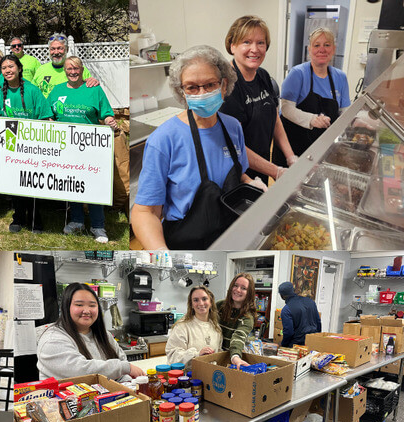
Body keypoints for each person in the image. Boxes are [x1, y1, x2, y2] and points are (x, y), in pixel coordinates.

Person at [132, 45, 250, 250]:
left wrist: (255, 186)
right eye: (192, 87)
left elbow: (239, 176)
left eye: (210, 84)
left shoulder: (233, 127)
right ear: (182, 92)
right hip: (186, 241)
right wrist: (161, 252)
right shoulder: (163, 140)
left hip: (231, 234)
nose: (202, 93)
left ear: (224, 85)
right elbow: (145, 212)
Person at [220, 15, 297, 185]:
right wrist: (275, 171)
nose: (254, 49)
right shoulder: (227, 86)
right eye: (246, 42)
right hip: (239, 174)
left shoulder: (262, 76)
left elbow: (274, 118)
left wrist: (291, 157)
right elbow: (235, 145)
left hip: (262, 164)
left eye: (260, 43)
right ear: (232, 46)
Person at [48, 56, 117, 244]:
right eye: (69, 68)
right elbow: (48, 114)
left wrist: (110, 120)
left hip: (90, 147)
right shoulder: (57, 90)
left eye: (76, 68)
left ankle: (98, 225)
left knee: (94, 185)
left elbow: (106, 113)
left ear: (82, 70)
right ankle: (76, 221)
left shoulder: (93, 89)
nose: (72, 71)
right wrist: (49, 122)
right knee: (72, 185)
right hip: (65, 147)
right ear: (64, 71)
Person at [0, 54, 52, 233]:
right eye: (4, 68)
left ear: (19, 68)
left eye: (11, 67)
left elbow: (45, 116)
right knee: (14, 184)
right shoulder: (1, 93)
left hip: (31, 147)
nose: (8, 70)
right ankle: (18, 217)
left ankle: (34, 218)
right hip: (10, 146)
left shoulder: (33, 90)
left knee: (31, 184)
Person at [37, 283, 146, 381]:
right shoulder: (52, 339)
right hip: (66, 401)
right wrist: (125, 368)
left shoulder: (103, 335)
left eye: (92, 305)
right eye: (79, 305)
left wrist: (127, 383)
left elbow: (121, 361)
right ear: (66, 307)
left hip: (107, 398)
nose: (87, 311)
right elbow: (81, 371)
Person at [276, 27, 350, 161]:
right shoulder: (298, 73)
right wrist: (312, 119)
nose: (322, 49)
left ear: (333, 49)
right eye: (317, 45)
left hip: (322, 146)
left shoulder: (340, 77)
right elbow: (286, 109)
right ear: (309, 50)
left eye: (327, 45)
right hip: (294, 145)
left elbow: (344, 111)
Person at [166, 286, 222, 369]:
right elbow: (173, 355)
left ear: (210, 302)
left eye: (204, 299)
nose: (201, 303)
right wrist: (197, 354)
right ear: (191, 304)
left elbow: (218, 354)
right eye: (196, 300)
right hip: (187, 378)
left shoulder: (216, 328)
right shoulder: (182, 327)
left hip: (209, 375)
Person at [32, 33, 98, 98]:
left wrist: (93, 82)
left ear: (67, 49)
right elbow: (32, 92)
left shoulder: (77, 69)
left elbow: (90, 88)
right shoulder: (41, 70)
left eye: (60, 48)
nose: (56, 52)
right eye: (52, 49)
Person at [217, 273, 256, 368]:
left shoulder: (247, 318)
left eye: (243, 288)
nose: (238, 290)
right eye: (236, 285)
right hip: (211, 356)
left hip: (228, 361)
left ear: (249, 293)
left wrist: (235, 357)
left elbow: (238, 338)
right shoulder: (219, 306)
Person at [278, 282, 321, 348]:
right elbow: (318, 323)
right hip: (312, 342)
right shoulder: (311, 302)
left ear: (282, 296)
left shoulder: (286, 310)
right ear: (293, 290)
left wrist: (283, 344)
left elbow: (288, 332)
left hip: (297, 345)